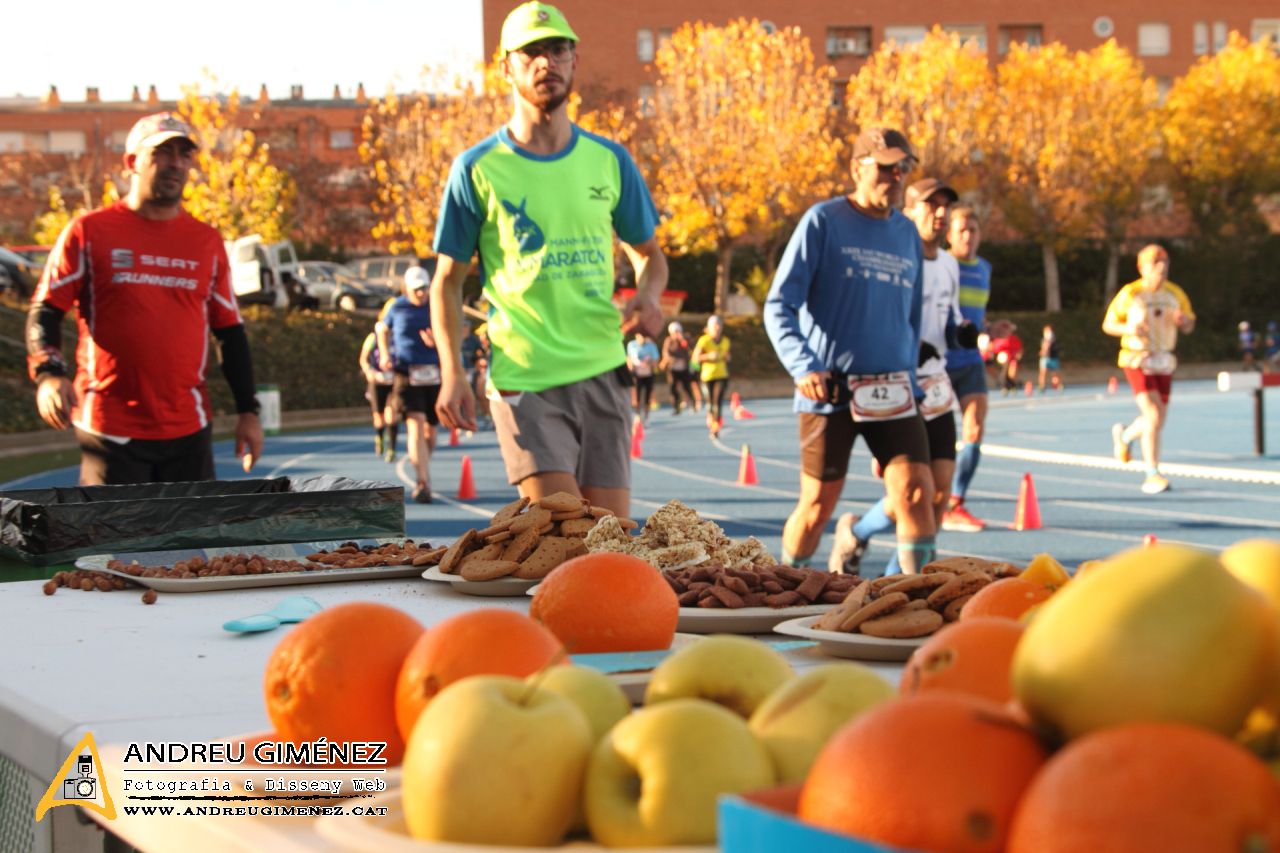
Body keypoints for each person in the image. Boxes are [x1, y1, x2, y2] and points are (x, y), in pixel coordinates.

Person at [429, 1, 668, 518]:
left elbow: (651, 255)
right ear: (507, 68)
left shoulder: (609, 160)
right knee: (564, 538)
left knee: (610, 544)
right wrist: (452, 372)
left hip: (604, 368)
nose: (546, 63)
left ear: (574, 60)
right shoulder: (476, 169)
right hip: (525, 376)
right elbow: (446, 283)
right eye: (531, 53)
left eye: (557, 50)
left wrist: (648, 295)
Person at [25, 112, 263, 485]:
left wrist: (249, 412)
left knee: (193, 542)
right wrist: (49, 374)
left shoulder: (207, 241)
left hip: (188, 429)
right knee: (107, 542)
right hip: (109, 429)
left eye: (184, 154)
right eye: (162, 152)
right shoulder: (88, 232)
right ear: (132, 162)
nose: (176, 164)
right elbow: (46, 309)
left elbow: (230, 331)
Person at [764, 127, 935, 575]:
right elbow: (779, 305)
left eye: (904, 168)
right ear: (857, 168)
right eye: (885, 167)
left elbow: (910, 319)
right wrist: (804, 366)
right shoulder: (823, 221)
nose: (896, 177)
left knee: (916, 491)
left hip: (893, 390)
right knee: (818, 503)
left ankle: (916, 600)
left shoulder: (907, 235)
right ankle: (788, 583)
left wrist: (913, 383)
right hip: (830, 390)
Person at [832, 177, 977, 576]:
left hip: (936, 384)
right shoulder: (894, 258)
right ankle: (862, 539)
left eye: (946, 207)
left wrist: (960, 332)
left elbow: (946, 317)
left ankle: (889, 574)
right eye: (931, 206)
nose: (941, 214)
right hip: (894, 386)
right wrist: (908, 347)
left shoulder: (949, 263)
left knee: (939, 495)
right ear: (909, 212)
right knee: (911, 494)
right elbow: (879, 315)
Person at [1103, 244, 1195, 495]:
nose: (1161, 269)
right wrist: (1130, 329)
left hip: (1164, 359)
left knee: (1157, 419)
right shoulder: (1131, 294)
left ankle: (1126, 437)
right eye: (1155, 265)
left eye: (1164, 264)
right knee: (1153, 413)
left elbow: (1189, 324)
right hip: (1137, 358)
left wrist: (1184, 322)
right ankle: (1152, 473)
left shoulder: (1175, 293)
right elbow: (1108, 324)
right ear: (1142, 268)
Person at [939, 205, 994, 532]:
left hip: (971, 360)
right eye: (961, 230)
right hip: (940, 363)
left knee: (974, 428)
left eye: (973, 230)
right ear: (950, 234)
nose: (968, 236)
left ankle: (956, 502)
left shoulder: (985, 268)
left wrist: (991, 328)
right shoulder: (941, 265)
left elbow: (976, 316)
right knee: (938, 439)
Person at [378, 266, 442, 503]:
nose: (421, 293)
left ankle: (421, 461)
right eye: (416, 289)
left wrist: (437, 341)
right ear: (407, 288)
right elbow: (381, 329)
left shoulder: (436, 305)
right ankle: (423, 481)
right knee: (415, 426)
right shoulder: (397, 307)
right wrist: (384, 354)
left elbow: (457, 332)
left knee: (430, 433)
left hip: (434, 375)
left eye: (424, 288)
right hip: (406, 374)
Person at [358, 330, 399, 461]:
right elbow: (363, 359)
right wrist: (369, 371)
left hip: (394, 383)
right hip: (377, 382)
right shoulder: (372, 337)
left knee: (392, 416)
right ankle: (380, 437)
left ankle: (392, 449)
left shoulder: (399, 335)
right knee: (379, 418)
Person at [692, 315, 731, 436]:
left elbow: (728, 357)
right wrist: (708, 356)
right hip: (707, 376)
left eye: (719, 326)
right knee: (710, 404)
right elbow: (694, 359)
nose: (717, 328)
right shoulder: (704, 341)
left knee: (717, 402)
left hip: (721, 375)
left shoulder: (725, 341)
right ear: (709, 328)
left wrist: (726, 357)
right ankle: (711, 420)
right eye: (715, 326)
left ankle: (716, 427)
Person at [660, 321, 697, 414]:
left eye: (677, 331)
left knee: (686, 387)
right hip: (673, 368)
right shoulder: (669, 341)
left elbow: (692, 350)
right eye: (674, 332)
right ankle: (676, 406)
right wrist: (674, 360)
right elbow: (666, 354)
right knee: (673, 387)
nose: (676, 334)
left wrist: (683, 341)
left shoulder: (685, 339)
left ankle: (693, 404)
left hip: (684, 368)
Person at [626, 330, 660, 424]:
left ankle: (646, 415)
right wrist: (631, 366)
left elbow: (655, 360)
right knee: (637, 396)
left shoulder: (651, 345)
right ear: (636, 336)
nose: (642, 338)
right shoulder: (631, 345)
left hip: (648, 374)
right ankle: (638, 415)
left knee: (647, 396)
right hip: (637, 375)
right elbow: (629, 358)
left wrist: (648, 363)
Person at [1038, 323, 1064, 392]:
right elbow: (1043, 349)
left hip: (1053, 358)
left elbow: (1057, 348)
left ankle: (1058, 385)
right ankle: (1042, 386)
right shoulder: (1043, 339)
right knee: (1043, 372)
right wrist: (1043, 351)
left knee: (1055, 373)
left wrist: (1050, 343)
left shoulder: (1055, 340)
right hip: (1045, 359)